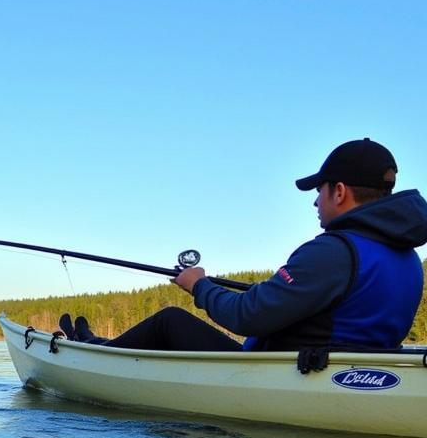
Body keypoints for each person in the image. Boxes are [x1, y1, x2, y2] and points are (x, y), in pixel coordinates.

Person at [59, 138, 427, 353]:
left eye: (320, 192)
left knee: (169, 321)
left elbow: (246, 315)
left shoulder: (333, 251)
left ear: (340, 192)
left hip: (288, 378)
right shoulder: (408, 258)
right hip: (348, 375)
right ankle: (98, 343)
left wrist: (199, 285)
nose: (316, 203)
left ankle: (91, 354)